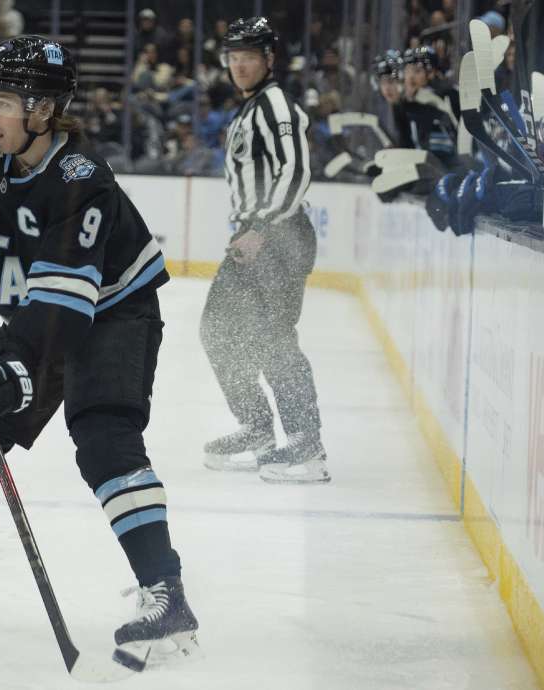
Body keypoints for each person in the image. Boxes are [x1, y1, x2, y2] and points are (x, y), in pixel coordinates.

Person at [0, 35, 200, 666]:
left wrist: (3, 374)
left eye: (2, 101)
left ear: (44, 111)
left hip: (112, 313)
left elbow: (63, 317)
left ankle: (167, 592)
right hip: (37, 315)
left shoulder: (81, 183)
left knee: (103, 436)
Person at [199, 17, 329, 484]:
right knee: (219, 330)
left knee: (273, 339)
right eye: (232, 57)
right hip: (256, 237)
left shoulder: (275, 104)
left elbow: (294, 171)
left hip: (276, 236)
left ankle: (307, 445)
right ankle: (259, 431)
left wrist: (262, 227)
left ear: (269, 60)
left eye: (249, 56)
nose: (239, 65)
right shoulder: (251, 107)